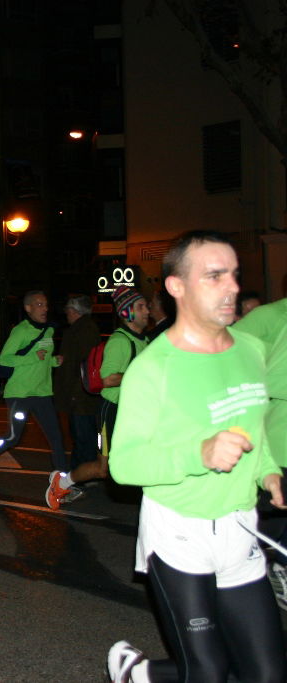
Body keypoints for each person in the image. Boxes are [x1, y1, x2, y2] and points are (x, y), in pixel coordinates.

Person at [106, 231, 284, 683]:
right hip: (179, 535)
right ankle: (137, 672)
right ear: (177, 286)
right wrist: (199, 452)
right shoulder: (153, 368)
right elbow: (123, 466)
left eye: (234, 275)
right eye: (214, 276)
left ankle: (141, 675)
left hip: (240, 529)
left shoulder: (252, 350)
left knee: (267, 673)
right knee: (206, 671)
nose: (231, 288)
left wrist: (267, 472)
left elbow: (255, 423)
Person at [46, 286, 149, 509]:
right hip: (110, 411)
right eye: (141, 307)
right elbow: (108, 378)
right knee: (103, 468)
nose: (147, 311)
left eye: (146, 306)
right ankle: (62, 482)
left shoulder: (145, 341)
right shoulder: (120, 341)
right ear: (127, 312)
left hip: (132, 411)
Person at [0, 291, 65, 486]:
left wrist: (53, 361)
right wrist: (33, 358)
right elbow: (5, 359)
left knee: (56, 437)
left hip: (42, 392)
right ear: (28, 308)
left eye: (46, 304)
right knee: (13, 437)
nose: (45, 309)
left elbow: (43, 358)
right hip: (20, 394)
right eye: (39, 305)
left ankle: (63, 485)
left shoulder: (49, 330)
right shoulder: (21, 331)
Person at [235, 296, 287, 611]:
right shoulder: (270, 315)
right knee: (265, 518)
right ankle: (234, 568)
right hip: (277, 443)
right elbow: (224, 351)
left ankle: (280, 561)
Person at [51, 295, 101, 475]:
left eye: (68, 310)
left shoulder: (79, 331)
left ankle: (82, 474)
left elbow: (76, 364)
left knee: (82, 436)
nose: (66, 314)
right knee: (85, 435)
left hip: (79, 393)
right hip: (84, 393)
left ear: (74, 311)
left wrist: (70, 393)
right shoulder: (88, 328)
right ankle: (83, 472)